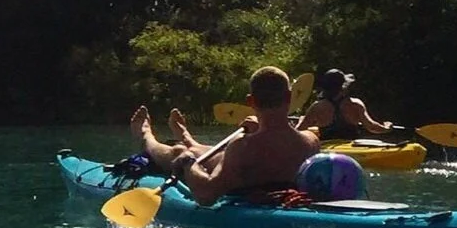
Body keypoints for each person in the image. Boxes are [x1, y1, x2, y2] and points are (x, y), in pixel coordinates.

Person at [130, 65, 317, 204]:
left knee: (181, 152)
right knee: (211, 152)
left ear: (250, 101)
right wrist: (260, 128)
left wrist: (187, 162)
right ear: (289, 97)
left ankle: (146, 135)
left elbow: (206, 195)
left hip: (245, 183)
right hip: (248, 167)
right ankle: (187, 137)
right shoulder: (311, 141)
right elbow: (276, 143)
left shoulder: (243, 147)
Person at [300, 68, 396, 140]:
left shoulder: (317, 107)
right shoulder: (355, 104)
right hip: (351, 147)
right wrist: (387, 128)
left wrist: (301, 120)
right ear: (344, 87)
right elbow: (371, 127)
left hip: (326, 149)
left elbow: (300, 130)